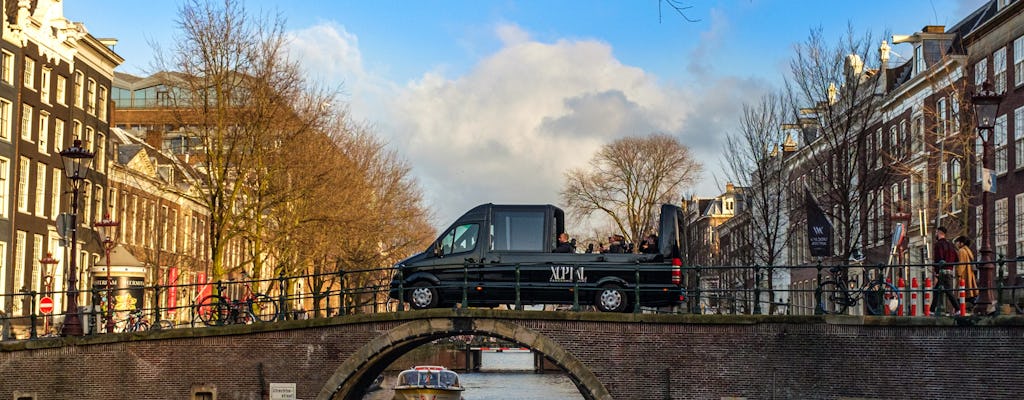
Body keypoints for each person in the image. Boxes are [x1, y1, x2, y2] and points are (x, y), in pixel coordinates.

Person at [930, 227, 959, 315]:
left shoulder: (938, 245)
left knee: (948, 291)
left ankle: (958, 309)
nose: (935, 234)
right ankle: (931, 310)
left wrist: (937, 273)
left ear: (939, 232)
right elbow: (957, 259)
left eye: (936, 232)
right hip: (950, 271)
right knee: (936, 291)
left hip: (942, 271)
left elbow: (938, 258)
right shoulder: (950, 245)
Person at [954, 236, 979, 305]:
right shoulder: (968, 250)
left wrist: (958, 273)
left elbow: (961, 264)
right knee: (969, 294)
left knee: (961, 294)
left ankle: (958, 310)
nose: (956, 244)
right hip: (969, 274)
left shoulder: (961, 251)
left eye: (957, 242)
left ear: (961, 243)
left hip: (964, 275)